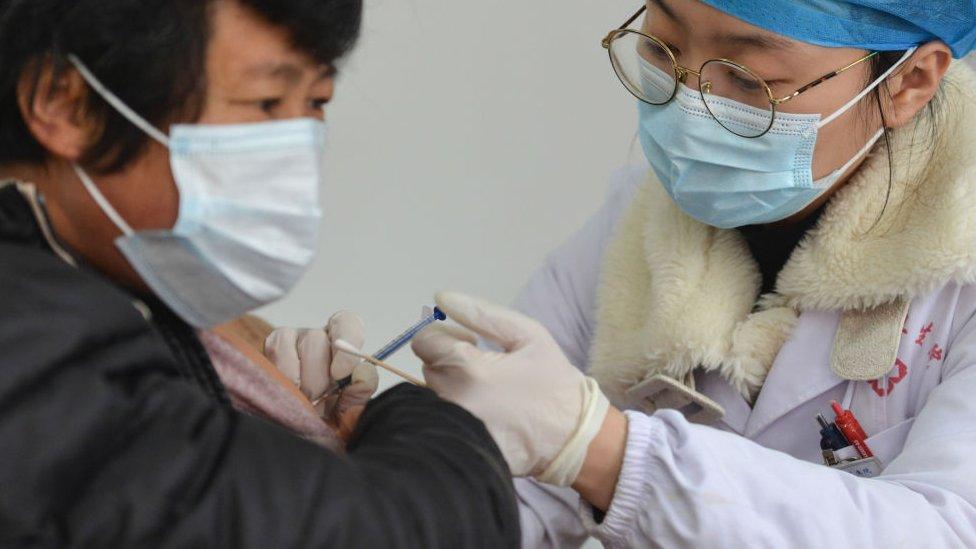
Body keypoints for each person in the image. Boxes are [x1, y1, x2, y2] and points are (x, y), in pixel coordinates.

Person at [411, 0, 976, 547]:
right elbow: (514, 490)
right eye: (663, 47)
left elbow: (948, 530)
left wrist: (604, 451)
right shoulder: (639, 230)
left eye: (748, 78)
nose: (689, 104)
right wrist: (371, 467)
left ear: (909, 82)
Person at [0, 1, 519, 546]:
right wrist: (445, 423)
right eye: (266, 101)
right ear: (66, 105)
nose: (294, 148)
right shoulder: (28, 341)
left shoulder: (110, 293)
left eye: (316, 101)